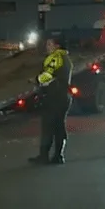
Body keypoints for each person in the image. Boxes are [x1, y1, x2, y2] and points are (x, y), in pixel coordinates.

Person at [28, 37, 73, 165]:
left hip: (54, 98)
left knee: (48, 127)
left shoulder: (56, 57)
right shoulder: (66, 59)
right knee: (59, 126)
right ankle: (58, 156)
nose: (47, 47)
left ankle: (44, 157)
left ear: (57, 46)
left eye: (49, 44)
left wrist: (36, 80)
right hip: (63, 97)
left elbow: (48, 74)